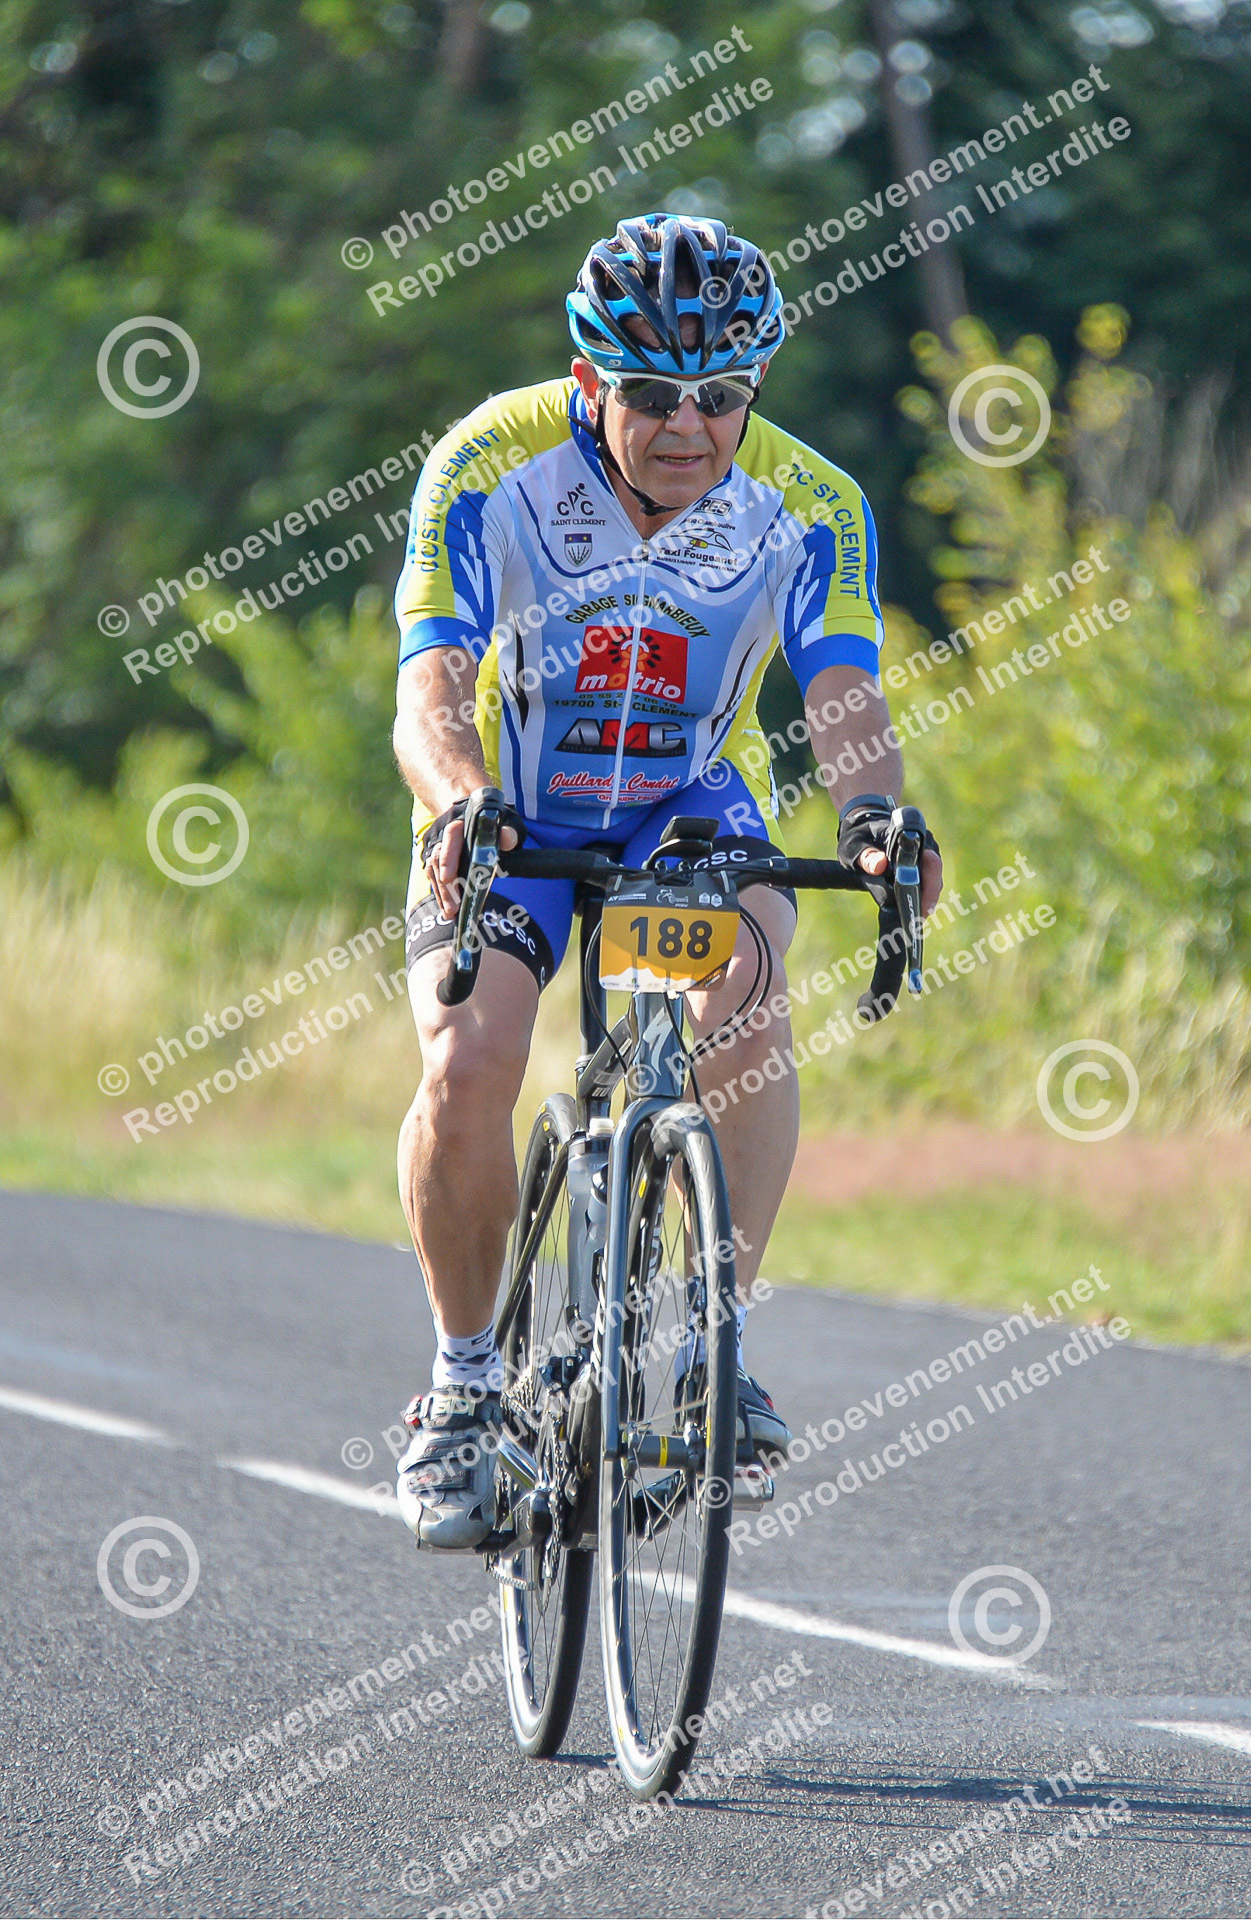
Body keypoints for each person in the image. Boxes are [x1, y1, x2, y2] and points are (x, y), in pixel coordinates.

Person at [390, 212, 942, 1549]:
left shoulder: (810, 503)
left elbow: (843, 690)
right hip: (512, 810)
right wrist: (461, 797)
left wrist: (875, 818)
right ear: (590, 382)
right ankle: (463, 1386)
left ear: (757, 389)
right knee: (470, 1059)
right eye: (650, 393)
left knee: (745, 1001)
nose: (688, 424)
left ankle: (711, 1348)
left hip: (681, 810)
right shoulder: (490, 461)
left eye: (722, 394)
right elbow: (432, 678)